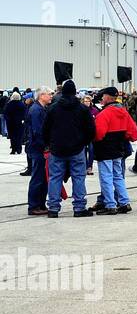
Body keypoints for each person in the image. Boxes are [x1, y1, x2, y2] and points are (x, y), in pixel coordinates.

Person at [43, 80, 96, 219]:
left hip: (57, 149)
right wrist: (84, 142)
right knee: (79, 178)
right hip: (77, 149)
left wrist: (50, 143)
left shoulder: (53, 109)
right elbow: (91, 129)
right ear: (74, 92)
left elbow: (45, 129)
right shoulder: (82, 109)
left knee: (55, 178)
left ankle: (53, 208)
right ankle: (79, 208)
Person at [92, 86, 137, 215]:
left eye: (102, 97)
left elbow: (99, 134)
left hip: (105, 150)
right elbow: (134, 134)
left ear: (107, 97)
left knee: (106, 177)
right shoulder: (124, 112)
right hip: (118, 150)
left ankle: (110, 205)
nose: (101, 100)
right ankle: (124, 203)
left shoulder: (104, 114)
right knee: (118, 177)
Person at [25, 87, 52, 215]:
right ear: (41, 95)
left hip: (40, 147)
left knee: (43, 177)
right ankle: (34, 205)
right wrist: (46, 146)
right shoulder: (36, 110)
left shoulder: (41, 109)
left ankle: (40, 204)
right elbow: (38, 131)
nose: (51, 96)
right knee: (38, 177)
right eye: (49, 94)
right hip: (38, 148)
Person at [4, 91, 26, 155]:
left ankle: (13, 149)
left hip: (11, 123)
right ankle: (19, 149)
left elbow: (6, 113)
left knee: (12, 137)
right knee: (19, 136)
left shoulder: (9, 104)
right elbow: (25, 113)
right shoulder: (22, 104)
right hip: (20, 123)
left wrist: (8, 120)